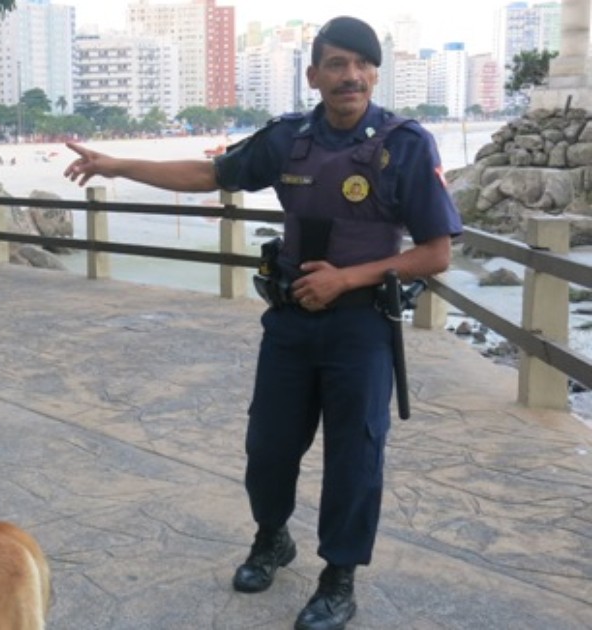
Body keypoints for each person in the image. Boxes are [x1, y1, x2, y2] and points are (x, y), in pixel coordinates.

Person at [64, 16, 461, 630]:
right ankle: (272, 538)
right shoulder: (289, 140)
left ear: (375, 73)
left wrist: (347, 278)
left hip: (361, 328)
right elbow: (209, 175)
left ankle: (339, 577)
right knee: (267, 447)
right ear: (314, 75)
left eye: (361, 64)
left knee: (354, 457)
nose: (350, 76)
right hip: (291, 325)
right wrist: (115, 165)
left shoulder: (405, 144)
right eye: (336, 64)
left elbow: (436, 251)